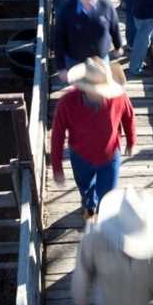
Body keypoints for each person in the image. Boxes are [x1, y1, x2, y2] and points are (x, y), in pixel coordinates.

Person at [51, 58, 135, 217]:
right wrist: (57, 167)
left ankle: (104, 214)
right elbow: (57, 134)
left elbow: (128, 116)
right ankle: (89, 205)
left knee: (108, 192)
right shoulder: (67, 103)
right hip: (81, 156)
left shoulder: (119, 97)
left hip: (110, 156)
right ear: (84, 87)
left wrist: (131, 140)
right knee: (85, 186)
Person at [54, 0, 123, 81]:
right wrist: (61, 67)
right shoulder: (66, 9)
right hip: (75, 62)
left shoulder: (107, 5)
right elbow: (58, 39)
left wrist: (118, 46)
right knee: (78, 92)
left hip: (101, 61)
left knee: (100, 91)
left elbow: (114, 28)